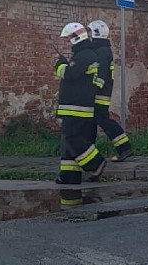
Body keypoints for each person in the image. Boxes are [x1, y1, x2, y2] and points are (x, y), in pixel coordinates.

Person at [54, 22, 106, 207]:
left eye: (68, 39)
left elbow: (71, 74)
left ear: (76, 37)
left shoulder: (85, 55)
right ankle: (69, 176)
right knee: (69, 143)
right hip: (75, 105)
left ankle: (96, 163)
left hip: (76, 107)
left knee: (73, 138)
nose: (68, 43)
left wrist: (60, 65)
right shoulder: (86, 54)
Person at [87, 19, 133, 161]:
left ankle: (124, 147)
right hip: (100, 93)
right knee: (92, 122)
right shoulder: (103, 50)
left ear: (95, 34)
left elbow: (100, 76)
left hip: (99, 94)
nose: (89, 36)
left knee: (103, 120)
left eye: (90, 33)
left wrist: (91, 91)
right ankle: (90, 151)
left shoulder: (101, 51)